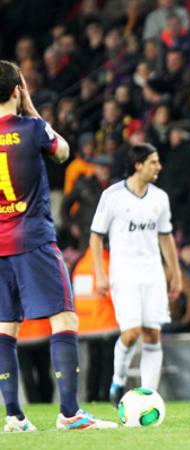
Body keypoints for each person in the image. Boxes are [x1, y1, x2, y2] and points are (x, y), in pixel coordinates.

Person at [0, 60, 116, 431]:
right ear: (19, 89)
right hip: (32, 238)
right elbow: (63, 152)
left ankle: (14, 417)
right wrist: (32, 110)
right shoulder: (32, 128)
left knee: (5, 327)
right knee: (63, 318)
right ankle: (70, 413)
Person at [89, 143, 182, 407]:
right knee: (131, 333)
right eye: (153, 162)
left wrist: (174, 274)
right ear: (138, 165)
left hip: (152, 273)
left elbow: (166, 237)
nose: (159, 167)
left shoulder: (159, 198)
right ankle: (117, 381)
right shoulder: (113, 196)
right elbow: (96, 236)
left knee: (153, 334)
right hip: (124, 274)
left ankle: (149, 398)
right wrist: (99, 273)